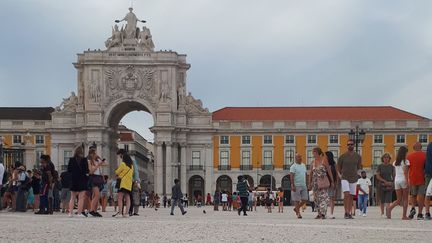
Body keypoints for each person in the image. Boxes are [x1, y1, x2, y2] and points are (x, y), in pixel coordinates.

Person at [337, 139, 362, 219]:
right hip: (344, 177)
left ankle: (349, 212)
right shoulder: (342, 156)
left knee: (351, 196)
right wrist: (340, 175)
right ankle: (346, 212)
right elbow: (338, 167)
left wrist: (356, 173)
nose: (350, 146)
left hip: (354, 178)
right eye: (348, 144)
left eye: (351, 144)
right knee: (346, 194)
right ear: (347, 146)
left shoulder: (358, 156)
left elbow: (358, 167)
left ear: (354, 145)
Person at [309, 147, 334, 219]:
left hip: (323, 181)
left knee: (324, 197)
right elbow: (310, 173)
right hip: (315, 182)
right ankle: (319, 213)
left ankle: (323, 213)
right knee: (316, 198)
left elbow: (329, 171)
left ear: (317, 152)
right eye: (313, 152)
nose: (313, 154)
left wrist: (332, 181)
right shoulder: (313, 162)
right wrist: (309, 183)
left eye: (314, 152)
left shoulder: (324, 160)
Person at [387, 146, 410, 220]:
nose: (407, 153)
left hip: (397, 180)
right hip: (403, 180)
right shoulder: (406, 161)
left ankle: (390, 208)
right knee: (405, 199)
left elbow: (394, 173)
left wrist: (394, 181)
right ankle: (404, 216)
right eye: (406, 152)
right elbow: (406, 172)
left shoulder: (395, 162)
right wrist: (407, 182)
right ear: (404, 153)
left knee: (399, 199)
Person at [407, 142, 427, 220]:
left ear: (413, 147)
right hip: (422, 178)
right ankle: (420, 214)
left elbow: (406, 169)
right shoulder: (425, 155)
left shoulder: (409, 156)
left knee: (413, 195)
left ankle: (412, 208)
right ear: (421, 147)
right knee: (421, 197)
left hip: (412, 178)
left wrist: (407, 179)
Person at [68, 146, 89, 218]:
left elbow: (69, 170)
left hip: (74, 179)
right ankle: (79, 213)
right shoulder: (84, 160)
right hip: (82, 179)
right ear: (81, 152)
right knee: (81, 198)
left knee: (72, 197)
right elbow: (87, 170)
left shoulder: (71, 159)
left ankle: (70, 213)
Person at [113, 153, 134, 218]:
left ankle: (120, 213)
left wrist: (116, 171)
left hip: (122, 183)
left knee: (120, 198)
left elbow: (117, 172)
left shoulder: (123, 164)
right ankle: (127, 213)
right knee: (127, 198)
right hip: (129, 184)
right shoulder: (131, 166)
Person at [87, 149, 106, 217]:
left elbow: (106, 164)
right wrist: (98, 165)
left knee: (96, 195)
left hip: (98, 178)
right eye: (95, 154)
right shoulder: (89, 161)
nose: (96, 155)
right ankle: (91, 210)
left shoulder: (97, 160)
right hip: (93, 178)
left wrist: (100, 159)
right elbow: (91, 171)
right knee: (97, 195)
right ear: (91, 154)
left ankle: (94, 211)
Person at [375, 153, 395, 218]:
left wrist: (392, 183)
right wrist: (384, 181)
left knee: (388, 200)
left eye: (387, 157)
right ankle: (382, 213)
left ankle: (387, 212)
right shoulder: (380, 166)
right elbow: (377, 176)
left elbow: (394, 176)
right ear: (382, 159)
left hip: (389, 185)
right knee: (382, 200)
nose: (386, 158)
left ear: (389, 159)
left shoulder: (392, 167)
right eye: (384, 157)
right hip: (381, 184)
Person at [290, 153, 308, 219]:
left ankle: (296, 208)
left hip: (303, 185)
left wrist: (307, 183)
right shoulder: (293, 166)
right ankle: (298, 213)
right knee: (296, 200)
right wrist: (292, 185)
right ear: (295, 158)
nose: (300, 158)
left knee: (305, 199)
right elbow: (291, 176)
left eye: (301, 157)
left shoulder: (303, 165)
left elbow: (305, 174)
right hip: (296, 185)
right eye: (299, 157)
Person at [325, 151, 338, 219]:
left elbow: (336, 174)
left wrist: (336, 183)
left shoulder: (334, 164)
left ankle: (331, 213)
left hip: (332, 183)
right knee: (325, 199)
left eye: (325, 155)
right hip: (325, 183)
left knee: (332, 198)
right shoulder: (324, 164)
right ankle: (325, 212)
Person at [424, 142, 432, 220]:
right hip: (429, 172)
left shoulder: (429, 145)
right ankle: (427, 213)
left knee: (428, 193)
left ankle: (427, 213)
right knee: (428, 193)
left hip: (428, 172)